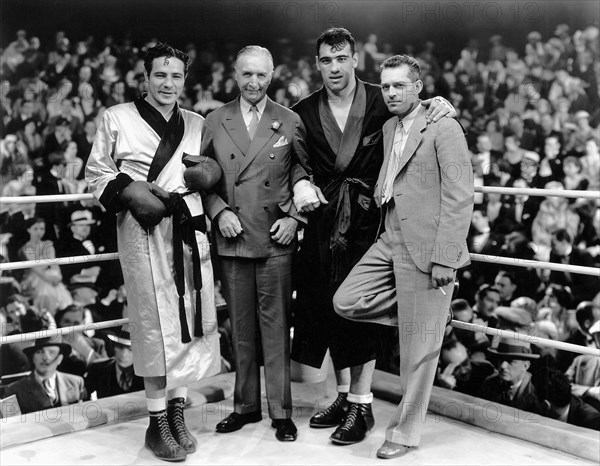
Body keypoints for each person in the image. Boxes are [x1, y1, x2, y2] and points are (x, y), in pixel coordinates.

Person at [290, 28, 455, 442]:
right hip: (326, 219)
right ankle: (346, 397)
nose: (334, 67)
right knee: (334, 306)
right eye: (326, 60)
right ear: (317, 64)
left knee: (364, 311)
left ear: (354, 59)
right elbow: (294, 157)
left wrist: (437, 103)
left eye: (341, 58)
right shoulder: (304, 110)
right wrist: (299, 183)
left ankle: (363, 405)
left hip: (372, 222)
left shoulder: (383, 98)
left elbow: (420, 117)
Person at [85, 42, 222, 462]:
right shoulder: (117, 117)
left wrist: (208, 175)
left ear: (184, 79)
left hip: (187, 226)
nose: (168, 83)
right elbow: (97, 171)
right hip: (142, 226)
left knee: (188, 319)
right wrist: (128, 190)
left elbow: (209, 173)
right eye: (160, 75)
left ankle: (176, 414)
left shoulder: (197, 122)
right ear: (145, 77)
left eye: (176, 75)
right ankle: (155, 420)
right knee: (151, 322)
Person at [332, 54, 473, 459]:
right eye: (386, 86)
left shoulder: (444, 126)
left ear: (418, 87)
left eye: (400, 85)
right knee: (345, 300)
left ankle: (404, 435)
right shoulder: (390, 124)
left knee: (417, 355)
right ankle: (426, 315)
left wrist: (446, 258)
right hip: (391, 235)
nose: (391, 92)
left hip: (428, 249)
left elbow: (461, 196)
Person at [200, 45, 316, 443]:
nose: (254, 83)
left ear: (272, 76)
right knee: (242, 331)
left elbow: (304, 171)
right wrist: (218, 211)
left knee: (277, 329)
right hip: (232, 236)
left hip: (275, 238)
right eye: (247, 74)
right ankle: (244, 407)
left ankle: (281, 411)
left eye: (261, 76)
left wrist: (295, 218)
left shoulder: (289, 120)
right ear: (235, 73)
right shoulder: (214, 120)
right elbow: (200, 178)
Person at [3, 334, 87, 414]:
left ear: (60, 358)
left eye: (51, 352)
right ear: (33, 358)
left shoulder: (76, 382)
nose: (45, 357)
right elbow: (11, 426)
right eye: (39, 352)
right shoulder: (12, 391)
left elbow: (84, 416)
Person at [482, 337, 544, 415]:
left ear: (525, 366)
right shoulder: (489, 384)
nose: (503, 366)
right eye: (501, 359)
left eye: (510, 361)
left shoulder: (535, 394)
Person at [85, 327, 145, 399]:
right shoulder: (98, 369)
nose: (123, 354)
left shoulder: (147, 376)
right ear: (114, 347)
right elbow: (84, 396)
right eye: (120, 347)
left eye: (130, 349)